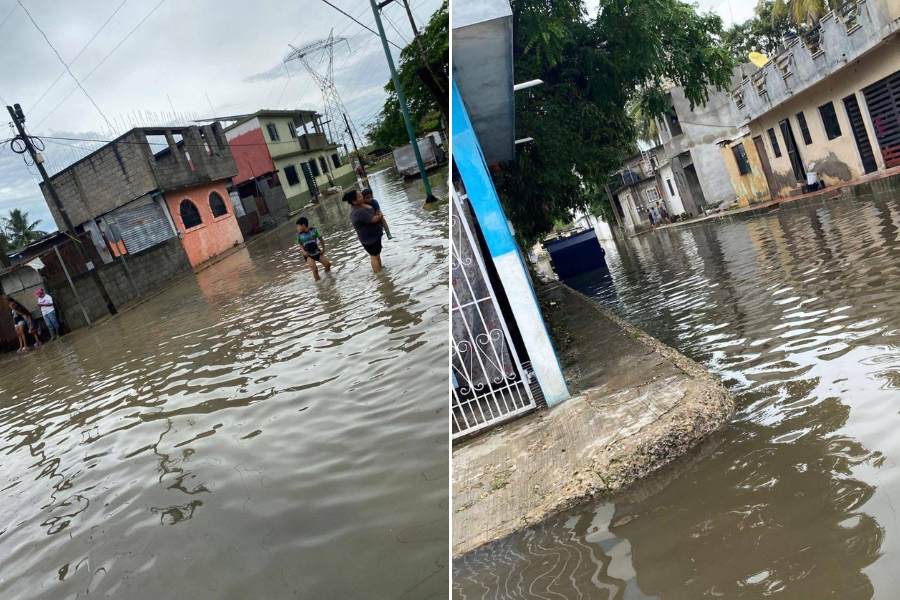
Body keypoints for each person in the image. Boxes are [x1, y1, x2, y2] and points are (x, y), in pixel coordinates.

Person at [343, 189, 385, 273]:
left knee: (376, 255)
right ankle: (378, 275)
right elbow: (374, 219)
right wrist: (380, 215)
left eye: (361, 195)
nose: (362, 197)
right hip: (370, 239)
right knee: (374, 256)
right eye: (359, 196)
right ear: (354, 201)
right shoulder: (358, 211)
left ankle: (381, 272)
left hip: (371, 237)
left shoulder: (360, 207)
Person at [296, 217, 332, 281]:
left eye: (298, 226)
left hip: (317, 251)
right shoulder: (299, 235)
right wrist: (303, 251)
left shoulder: (314, 230)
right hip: (308, 255)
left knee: (328, 264)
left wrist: (323, 249)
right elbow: (300, 245)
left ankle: (328, 277)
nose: (297, 228)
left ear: (303, 225)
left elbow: (321, 239)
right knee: (315, 269)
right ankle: (319, 283)